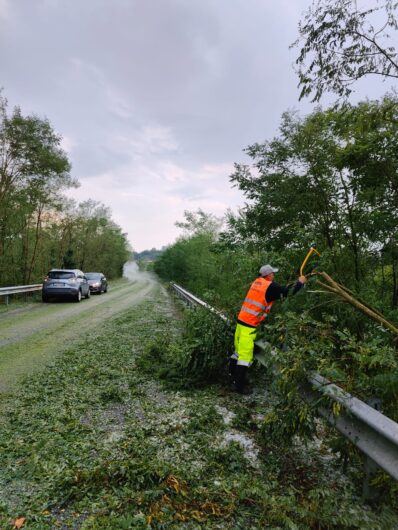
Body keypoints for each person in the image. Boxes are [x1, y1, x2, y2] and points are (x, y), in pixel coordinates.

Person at [229, 264, 307, 394]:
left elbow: (279, 290)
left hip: (241, 322)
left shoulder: (257, 282)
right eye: (273, 273)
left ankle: (233, 379)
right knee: (244, 357)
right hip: (249, 326)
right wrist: (300, 283)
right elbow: (288, 292)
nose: (274, 275)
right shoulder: (270, 286)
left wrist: (294, 283)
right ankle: (239, 387)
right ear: (268, 275)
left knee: (237, 352)